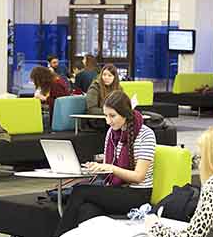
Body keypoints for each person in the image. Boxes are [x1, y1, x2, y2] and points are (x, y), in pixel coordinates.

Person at [54, 90, 157, 237]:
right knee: (87, 210)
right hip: (116, 189)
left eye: (112, 116)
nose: (108, 121)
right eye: (106, 116)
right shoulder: (111, 132)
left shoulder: (145, 134)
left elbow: (139, 177)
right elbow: (109, 166)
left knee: (80, 191)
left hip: (137, 194)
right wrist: (96, 167)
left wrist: (110, 168)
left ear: (126, 114)